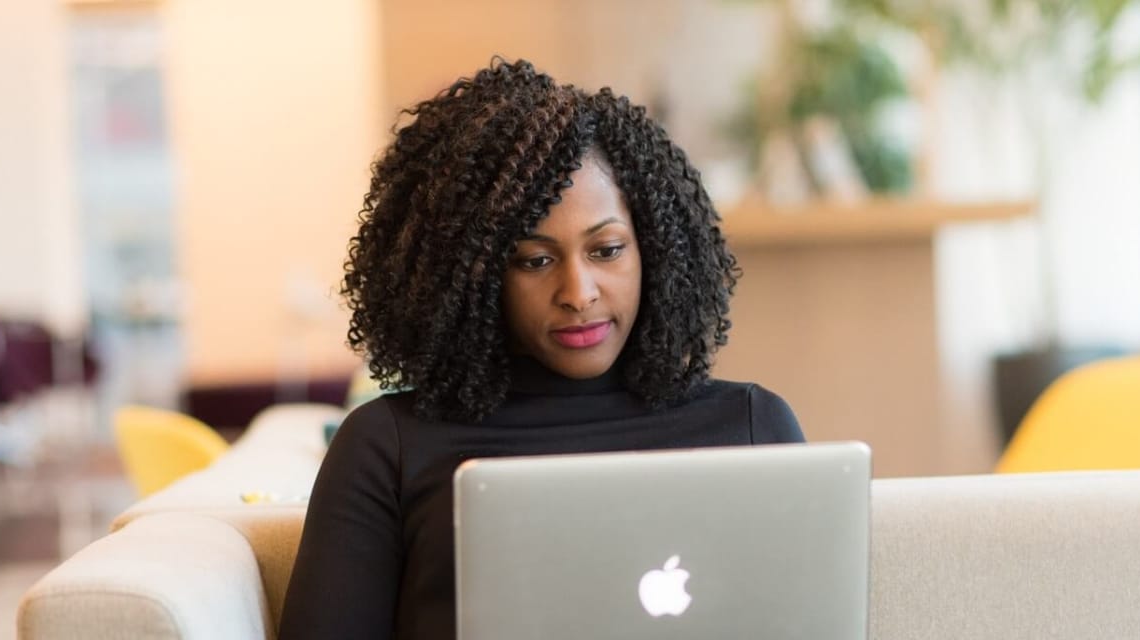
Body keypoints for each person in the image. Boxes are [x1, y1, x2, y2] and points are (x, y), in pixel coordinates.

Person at [278, 59, 806, 640]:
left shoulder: (754, 428)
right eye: (535, 260)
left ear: (654, 249)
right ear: (470, 277)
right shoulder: (388, 448)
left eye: (606, 250)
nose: (578, 294)